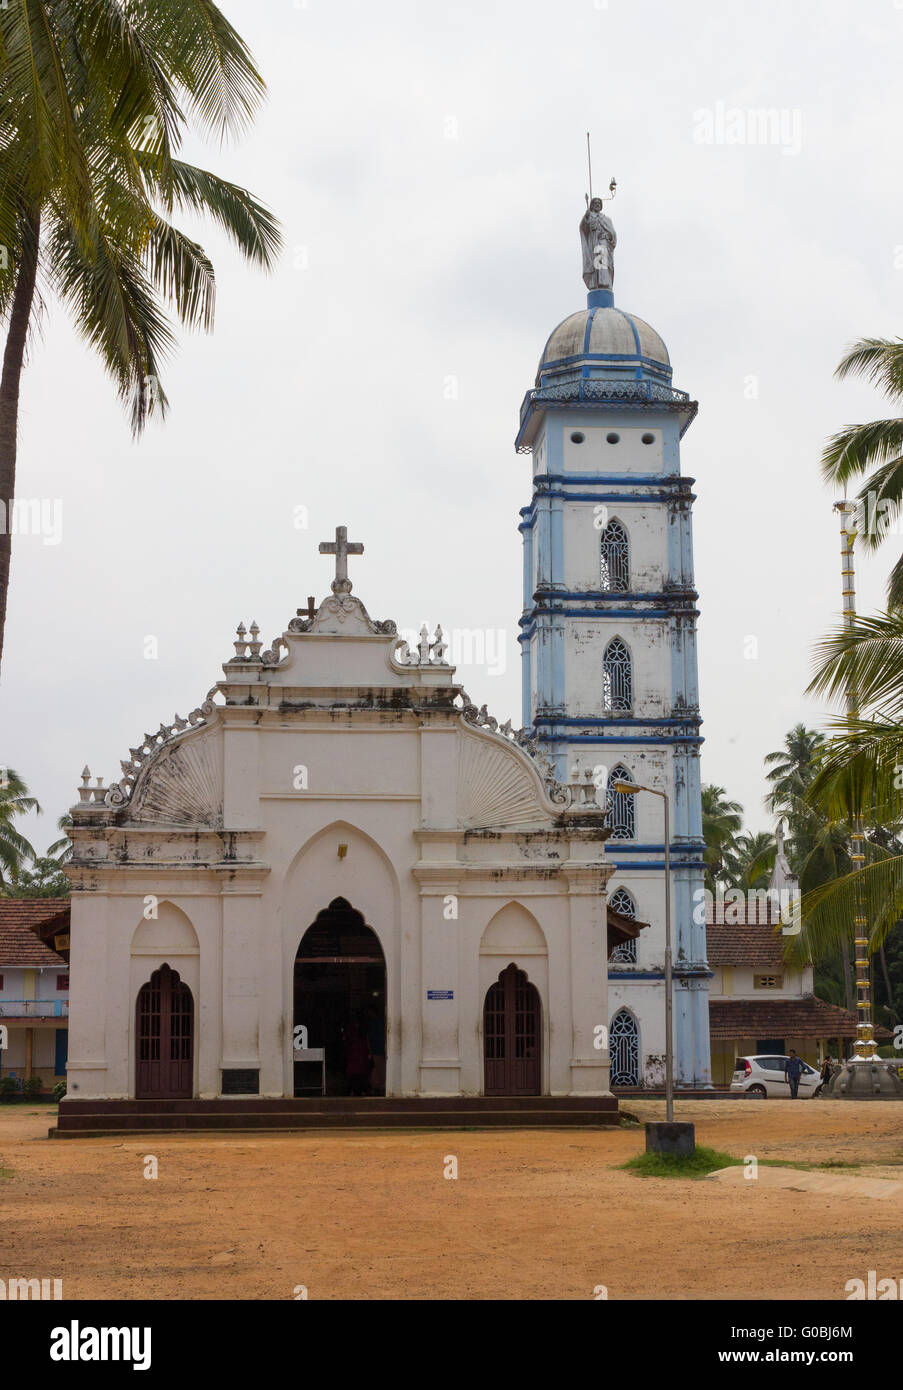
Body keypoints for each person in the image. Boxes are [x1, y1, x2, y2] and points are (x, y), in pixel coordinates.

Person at [343, 1018, 370, 1096]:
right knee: (356, 1075)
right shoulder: (352, 1032)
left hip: (358, 1056)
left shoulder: (359, 1032)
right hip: (355, 1056)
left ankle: (357, 1090)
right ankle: (356, 1090)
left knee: (358, 1075)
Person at [367, 1003, 386, 1096]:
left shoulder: (374, 1023)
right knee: (378, 1068)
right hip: (381, 1049)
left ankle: (379, 1086)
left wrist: (370, 1051)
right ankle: (378, 1086)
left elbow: (370, 1037)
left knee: (378, 1068)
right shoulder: (381, 1022)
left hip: (377, 1049)